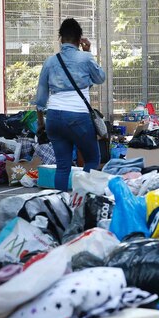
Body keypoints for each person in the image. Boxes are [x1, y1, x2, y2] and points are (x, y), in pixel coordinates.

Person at [33, 18, 106, 191]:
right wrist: (89, 52)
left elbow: (41, 98)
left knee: (63, 166)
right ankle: (81, 199)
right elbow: (100, 78)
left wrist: (42, 124)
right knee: (92, 160)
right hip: (78, 117)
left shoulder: (50, 62)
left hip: (54, 118)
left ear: (61, 38)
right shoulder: (85, 58)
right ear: (80, 39)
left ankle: (61, 206)